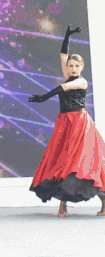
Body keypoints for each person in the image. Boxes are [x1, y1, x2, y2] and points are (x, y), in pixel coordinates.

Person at [28, 24, 105, 217]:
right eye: (71, 66)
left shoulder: (81, 81)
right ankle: (63, 204)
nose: (73, 68)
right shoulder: (67, 75)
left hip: (80, 124)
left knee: (81, 163)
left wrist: (44, 97)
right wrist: (67, 36)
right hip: (65, 124)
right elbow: (63, 56)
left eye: (77, 66)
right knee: (63, 162)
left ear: (82, 67)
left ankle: (103, 202)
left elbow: (64, 88)